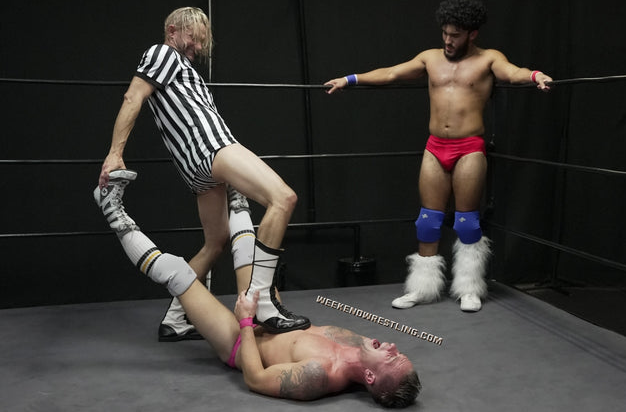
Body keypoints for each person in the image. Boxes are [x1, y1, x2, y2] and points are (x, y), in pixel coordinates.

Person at [93, 170, 421, 408]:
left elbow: (255, 378)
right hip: (269, 316)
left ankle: (111, 209)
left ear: (370, 378)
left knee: (177, 273)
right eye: (398, 352)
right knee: (251, 252)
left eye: (391, 358)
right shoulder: (361, 344)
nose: (393, 346)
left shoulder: (319, 376)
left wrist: (247, 321)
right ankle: (234, 185)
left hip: (240, 339)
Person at [325, 0, 552, 312]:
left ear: (472, 33)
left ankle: (469, 289)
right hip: (435, 147)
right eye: (444, 33)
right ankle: (422, 289)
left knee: (467, 222)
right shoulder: (430, 58)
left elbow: (512, 73)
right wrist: (349, 79)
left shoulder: (488, 59)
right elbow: (391, 73)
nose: (447, 40)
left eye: (455, 35)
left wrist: (535, 76)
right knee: (427, 221)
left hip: (469, 148)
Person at [97, 7, 308, 340]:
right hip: (212, 149)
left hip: (200, 167)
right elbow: (132, 97)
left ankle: (176, 319)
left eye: (201, 41)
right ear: (172, 30)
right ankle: (263, 304)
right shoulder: (162, 53)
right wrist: (114, 153)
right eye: (193, 38)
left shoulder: (182, 68)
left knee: (216, 242)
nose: (197, 47)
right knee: (283, 198)